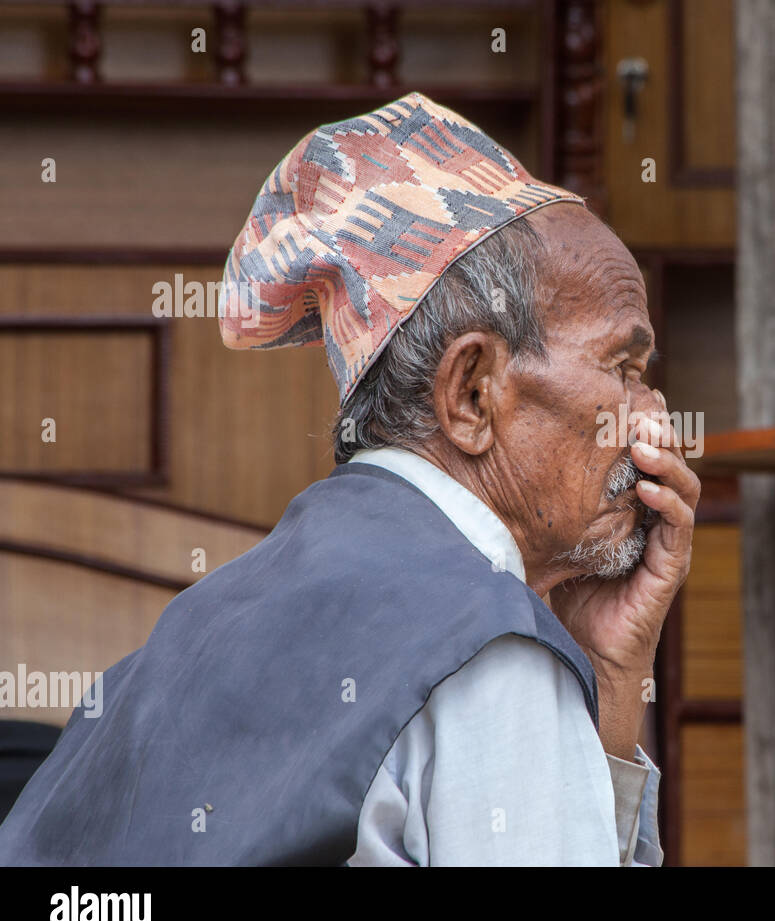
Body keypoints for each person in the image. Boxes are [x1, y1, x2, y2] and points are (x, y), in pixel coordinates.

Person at [0, 92, 697, 866]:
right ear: (471, 393)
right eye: (624, 369)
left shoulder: (201, 622)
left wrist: (602, 674)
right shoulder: (489, 649)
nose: (655, 421)